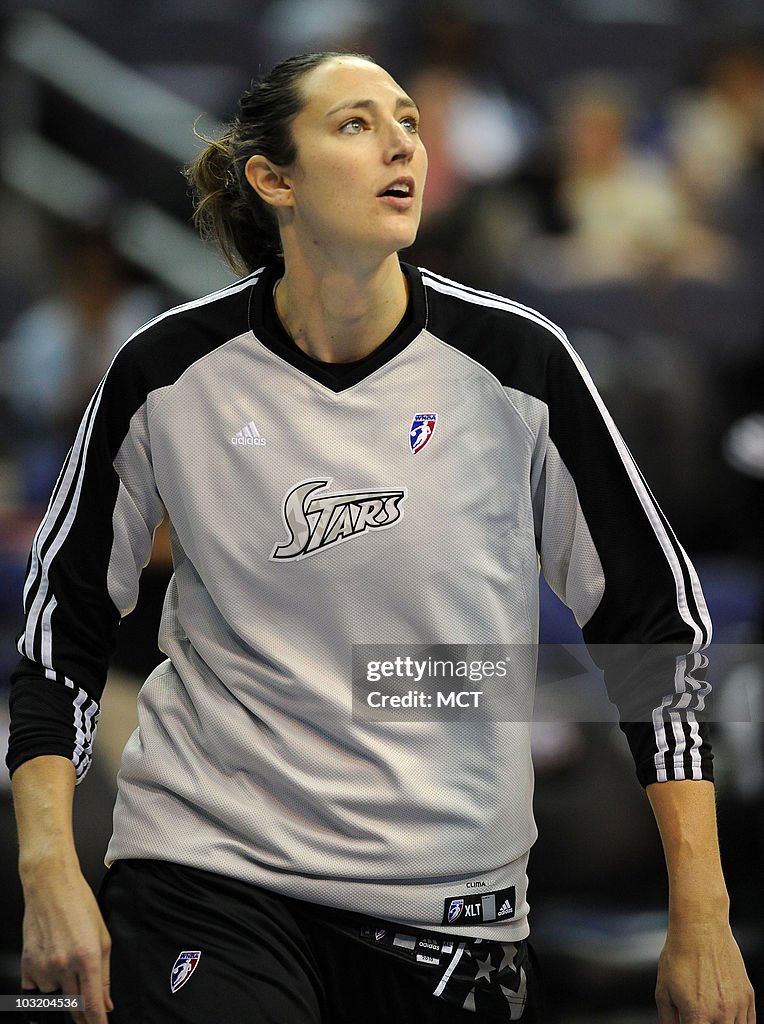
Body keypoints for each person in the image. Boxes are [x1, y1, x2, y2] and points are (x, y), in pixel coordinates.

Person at [6, 51, 756, 1024]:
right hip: (208, 874)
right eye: (355, 124)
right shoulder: (167, 372)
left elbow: (653, 632)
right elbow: (59, 635)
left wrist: (702, 912)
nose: (401, 142)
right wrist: (49, 870)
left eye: (407, 119)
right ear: (273, 179)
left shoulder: (518, 364)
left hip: (450, 907)